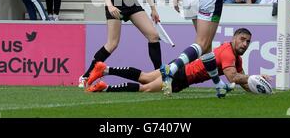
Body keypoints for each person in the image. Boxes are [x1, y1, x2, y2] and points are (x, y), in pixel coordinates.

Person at [86, 28, 271, 94]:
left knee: (145, 77)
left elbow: (241, 80)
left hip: (182, 67)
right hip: (184, 75)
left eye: (248, 41)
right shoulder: (228, 53)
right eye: (242, 39)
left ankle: (105, 69)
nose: (245, 44)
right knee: (145, 88)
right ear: (234, 38)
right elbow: (233, 78)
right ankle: (105, 88)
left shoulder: (235, 56)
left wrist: (259, 90)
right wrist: (255, 78)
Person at [78, 0, 162, 88]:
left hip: (131, 2)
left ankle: (160, 76)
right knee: (112, 44)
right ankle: (85, 76)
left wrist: (153, 9)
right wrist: (110, 5)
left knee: (153, 35)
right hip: (115, 1)